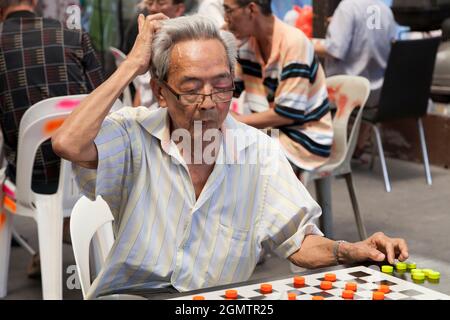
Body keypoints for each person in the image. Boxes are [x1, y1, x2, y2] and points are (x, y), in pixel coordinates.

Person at [52, 14, 409, 299]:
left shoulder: (259, 152)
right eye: (191, 88)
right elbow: (67, 143)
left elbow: (298, 240)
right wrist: (131, 66)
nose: (209, 102)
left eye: (222, 86)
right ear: (160, 92)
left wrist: (352, 251)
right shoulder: (133, 134)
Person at [0, 0, 104, 277]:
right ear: (34, 2)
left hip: (32, 181)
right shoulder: (75, 36)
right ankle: (68, 231)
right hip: (85, 172)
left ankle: (50, 239)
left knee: (16, 160)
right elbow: (103, 102)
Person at [223, 0, 333, 173]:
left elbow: (287, 114)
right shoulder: (246, 44)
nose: (225, 19)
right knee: (211, 148)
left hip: (303, 139)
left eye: (229, 11)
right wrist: (221, 46)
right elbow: (229, 90)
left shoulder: (294, 43)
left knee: (230, 159)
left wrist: (234, 121)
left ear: (251, 9)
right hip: (272, 132)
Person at [313, 0, 397, 160]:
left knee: (304, 87)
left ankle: (319, 150)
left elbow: (335, 50)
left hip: (349, 94)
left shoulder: (347, 7)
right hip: (379, 94)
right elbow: (381, 39)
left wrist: (304, 43)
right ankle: (359, 146)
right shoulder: (385, 10)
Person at [124, 0, 187, 108]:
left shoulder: (187, 39)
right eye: (149, 3)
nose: (153, 8)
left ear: (178, 9)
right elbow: (142, 85)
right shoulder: (143, 31)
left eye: (161, 3)